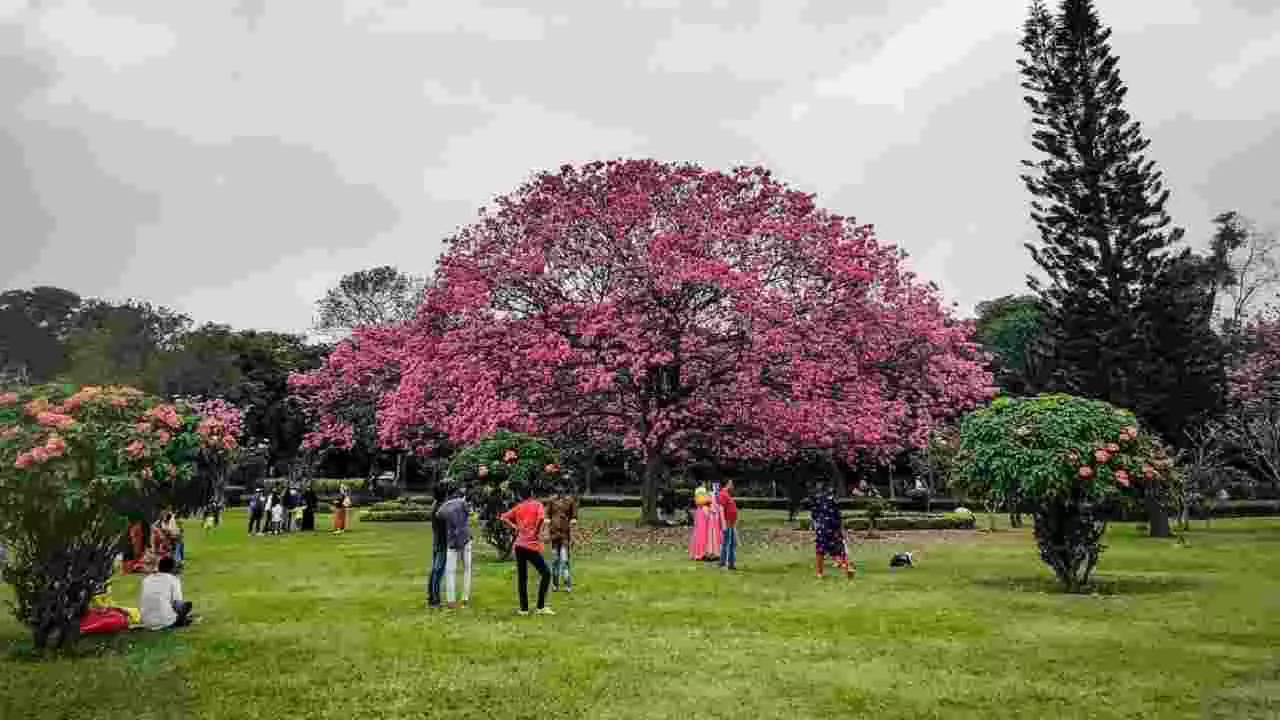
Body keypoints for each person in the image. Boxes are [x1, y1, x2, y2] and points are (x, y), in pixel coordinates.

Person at [499, 485, 554, 616]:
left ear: (520, 496)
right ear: (532, 493)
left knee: (522, 578)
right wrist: (536, 531)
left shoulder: (519, 507)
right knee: (546, 573)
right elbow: (541, 518)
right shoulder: (537, 504)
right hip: (531, 546)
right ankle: (540, 607)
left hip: (519, 546)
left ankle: (524, 609)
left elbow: (503, 517)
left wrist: (515, 527)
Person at [437, 485, 473, 609]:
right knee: (467, 569)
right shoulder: (462, 503)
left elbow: (439, 516)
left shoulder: (444, 507)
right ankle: (465, 598)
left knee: (450, 571)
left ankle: (451, 601)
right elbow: (469, 513)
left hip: (452, 540)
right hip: (465, 539)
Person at [810, 484, 854, 579]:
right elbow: (838, 516)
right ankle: (848, 567)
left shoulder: (817, 500)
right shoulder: (834, 501)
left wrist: (816, 526)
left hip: (822, 528)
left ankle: (819, 573)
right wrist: (840, 528)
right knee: (840, 549)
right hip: (833, 527)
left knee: (820, 551)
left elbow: (814, 515)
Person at [139, 556, 194, 630]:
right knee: (186, 605)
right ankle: (179, 620)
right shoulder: (173, 579)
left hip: (145, 621)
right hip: (165, 622)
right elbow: (177, 603)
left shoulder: (146, 579)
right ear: (172, 568)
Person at [546, 484, 578, 593]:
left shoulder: (570, 501)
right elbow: (547, 516)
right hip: (554, 535)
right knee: (555, 561)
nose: (560, 493)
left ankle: (567, 584)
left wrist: (572, 524)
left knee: (564, 561)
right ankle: (555, 585)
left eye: (562, 491)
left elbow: (574, 516)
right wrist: (547, 529)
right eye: (558, 491)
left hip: (565, 535)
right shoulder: (551, 501)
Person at [426, 485, 448, 609]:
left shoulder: (435, 505)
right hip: (441, 542)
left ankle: (431, 596)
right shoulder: (441, 508)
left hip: (436, 540)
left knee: (434, 569)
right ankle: (435, 599)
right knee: (438, 570)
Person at [718, 478, 739, 571]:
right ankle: (723, 563)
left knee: (732, 543)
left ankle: (731, 563)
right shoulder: (723, 494)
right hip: (727, 522)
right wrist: (723, 523)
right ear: (726, 484)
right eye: (731, 483)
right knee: (726, 543)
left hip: (731, 522)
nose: (732, 485)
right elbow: (721, 509)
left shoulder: (727, 495)